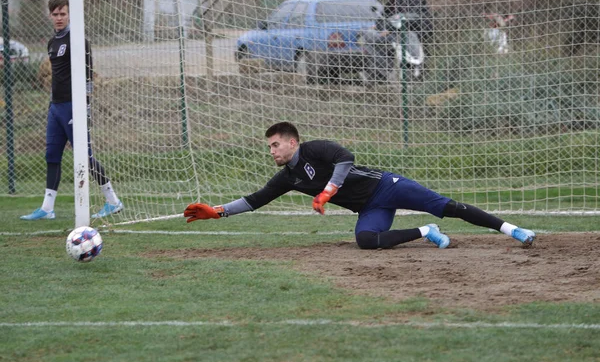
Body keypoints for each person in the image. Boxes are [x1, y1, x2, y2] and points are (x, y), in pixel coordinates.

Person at [183, 122, 536, 249]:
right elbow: (256, 199)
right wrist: (218, 211)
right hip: (371, 208)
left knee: (449, 206)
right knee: (366, 241)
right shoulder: (287, 177)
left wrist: (327, 192)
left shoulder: (314, 149)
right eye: (270, 146)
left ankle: (513, 229)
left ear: (292, 142)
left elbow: (346, 158)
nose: (272, 150)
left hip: (388, 187)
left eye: (276, 144)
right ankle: (426, 231)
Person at [20, 0, 123, 221]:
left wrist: (85, 107)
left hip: (73, 107)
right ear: (50, 16)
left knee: (84, 156)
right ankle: (47, 208)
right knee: (51, 155)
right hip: (55, 107)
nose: (59, 18)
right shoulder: (52, 42)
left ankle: (113, 201)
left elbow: (88, 75)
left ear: (70, 14)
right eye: (55, 14)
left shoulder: (78, 40)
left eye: (63, 14)